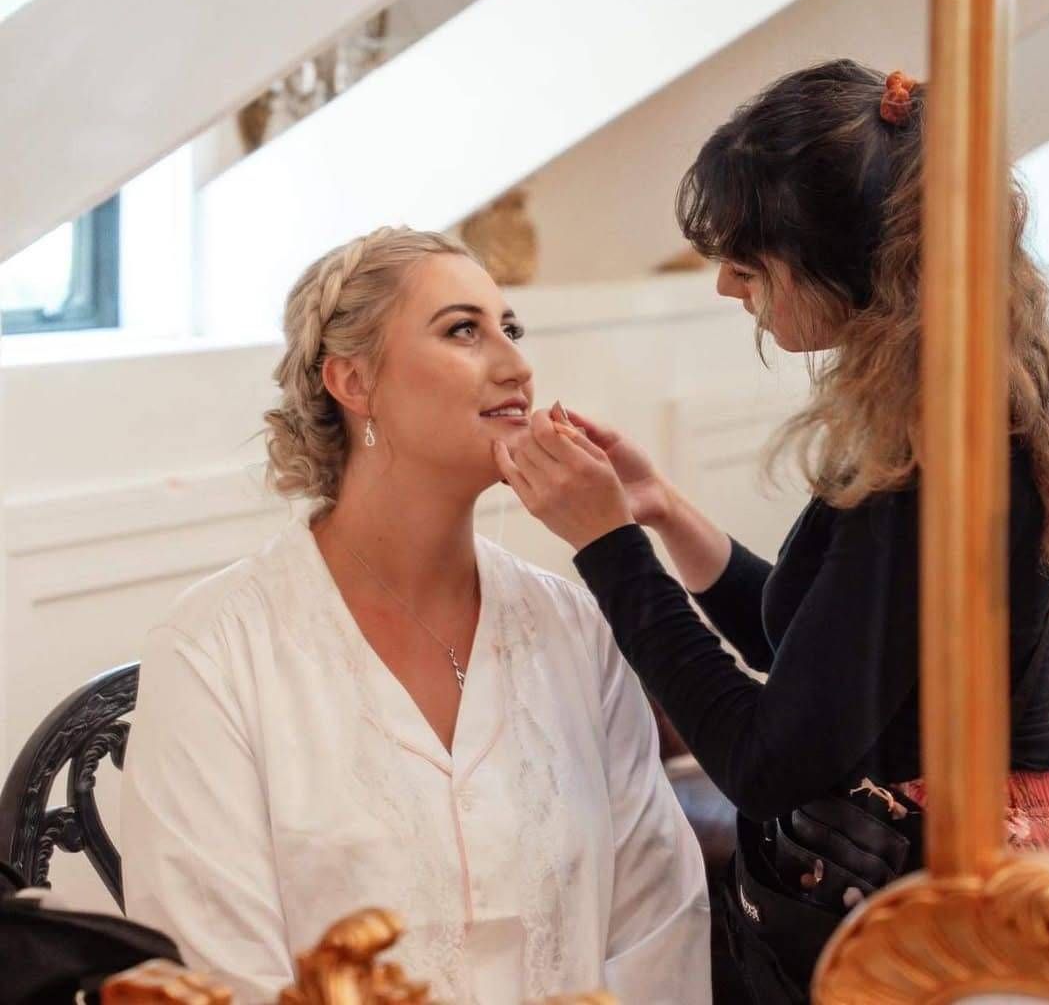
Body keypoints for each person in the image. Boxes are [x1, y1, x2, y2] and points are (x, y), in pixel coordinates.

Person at [494, 60, 1049, 980]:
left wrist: (608, 548)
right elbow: (822, 655)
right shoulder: (929, 415)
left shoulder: (939, 461)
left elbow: (767, 762)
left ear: (845, 264)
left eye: (749, 264)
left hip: (949, 912)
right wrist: (662, 511)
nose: (729, 289)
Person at [120, 228, 710, 1005]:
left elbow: (659, 927)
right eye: (463, 330)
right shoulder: (215, 651)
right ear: (354, 381)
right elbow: (216, 968)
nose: (516, 365)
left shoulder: (575, 628)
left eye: (511, 328)